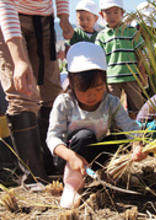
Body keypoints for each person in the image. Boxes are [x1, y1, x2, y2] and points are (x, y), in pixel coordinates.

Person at [46, 42, 147, 208]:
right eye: (84, 90)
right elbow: (53, 137)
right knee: (85, 136)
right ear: (71, 82)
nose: (92, 95)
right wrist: (71, 156)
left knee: (120, 138)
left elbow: (130, 127)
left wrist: (137, 145)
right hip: (70, 157)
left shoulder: (110, 102)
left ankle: (112, 173)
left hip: (95, 152)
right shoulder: (64, 102)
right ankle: (73, 185)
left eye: (98, 88)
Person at [0, 0, 74, 186]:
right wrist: (19, 60)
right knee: (22, 93)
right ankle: (33, 175)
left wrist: (63, 17)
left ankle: (52, 163)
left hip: (44, 20)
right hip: (9, 17)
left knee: (52, 92)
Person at [96, 0, 146, 120]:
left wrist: (143, 74)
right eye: (108, 13)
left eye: (115, 12)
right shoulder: (101, 36)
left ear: (122, 13)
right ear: (101, 14)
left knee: (137, 105)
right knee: (113, 107)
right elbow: (99, 59)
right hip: (112, 79)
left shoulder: (131, 32)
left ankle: (140, 130)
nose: (112, 16)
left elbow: (141, 55)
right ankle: (116, 131)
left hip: (132, 77)